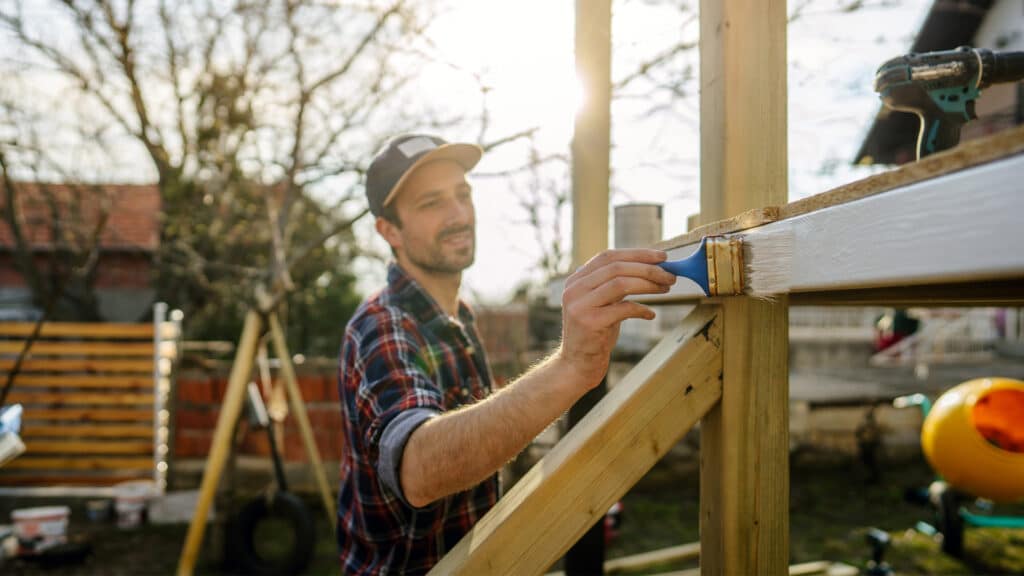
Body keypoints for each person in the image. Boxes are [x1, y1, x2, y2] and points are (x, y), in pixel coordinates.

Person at [336, 134, 675, 574]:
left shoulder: (459, 318)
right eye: (432, 203)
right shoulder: (381, 327)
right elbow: (419, 470)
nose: (459, 215)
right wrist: (570, 367)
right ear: (389, 231)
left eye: (463, 195)